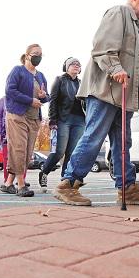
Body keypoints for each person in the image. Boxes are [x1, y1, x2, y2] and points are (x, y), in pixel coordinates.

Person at [55, 0, 139, 206]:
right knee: (93, 137)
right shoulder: (118, 13)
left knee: (123, 143)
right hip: (105, 91)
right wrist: (116, 69)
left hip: (123, 95)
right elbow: (101, 49)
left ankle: (127, 188)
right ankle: (68, 184)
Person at [1, 44, 50, 197]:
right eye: (35, 53)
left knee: (27, 152)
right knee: (19, 149)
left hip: (34, 118)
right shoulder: (18, 71)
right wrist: (30, 100)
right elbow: (10, 90)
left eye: (41, 54)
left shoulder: (40, 75)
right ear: (27, 55)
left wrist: (43, 96)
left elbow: (46, 96)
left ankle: (8, 183)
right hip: (17, 115)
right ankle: (21, 185)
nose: (38, 56)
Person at [39, 57, 85, 190]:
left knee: (72, 153)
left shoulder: (82, 83)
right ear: (66, 67)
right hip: (63, 119)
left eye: (78, 64)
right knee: (59, 151)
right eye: (73, 64)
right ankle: (44, 172)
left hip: (79, 121)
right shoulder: (59, 80)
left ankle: (66, 181)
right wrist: (53, 120)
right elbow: (53, 100)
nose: (76, 66)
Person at [0, 96, 27, 187]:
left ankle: (21, 180)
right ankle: (7, 180)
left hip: (22, 132)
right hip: (6, 134)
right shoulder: (3, 100)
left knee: (23, 155)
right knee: (7, 158)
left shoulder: (25, 99)